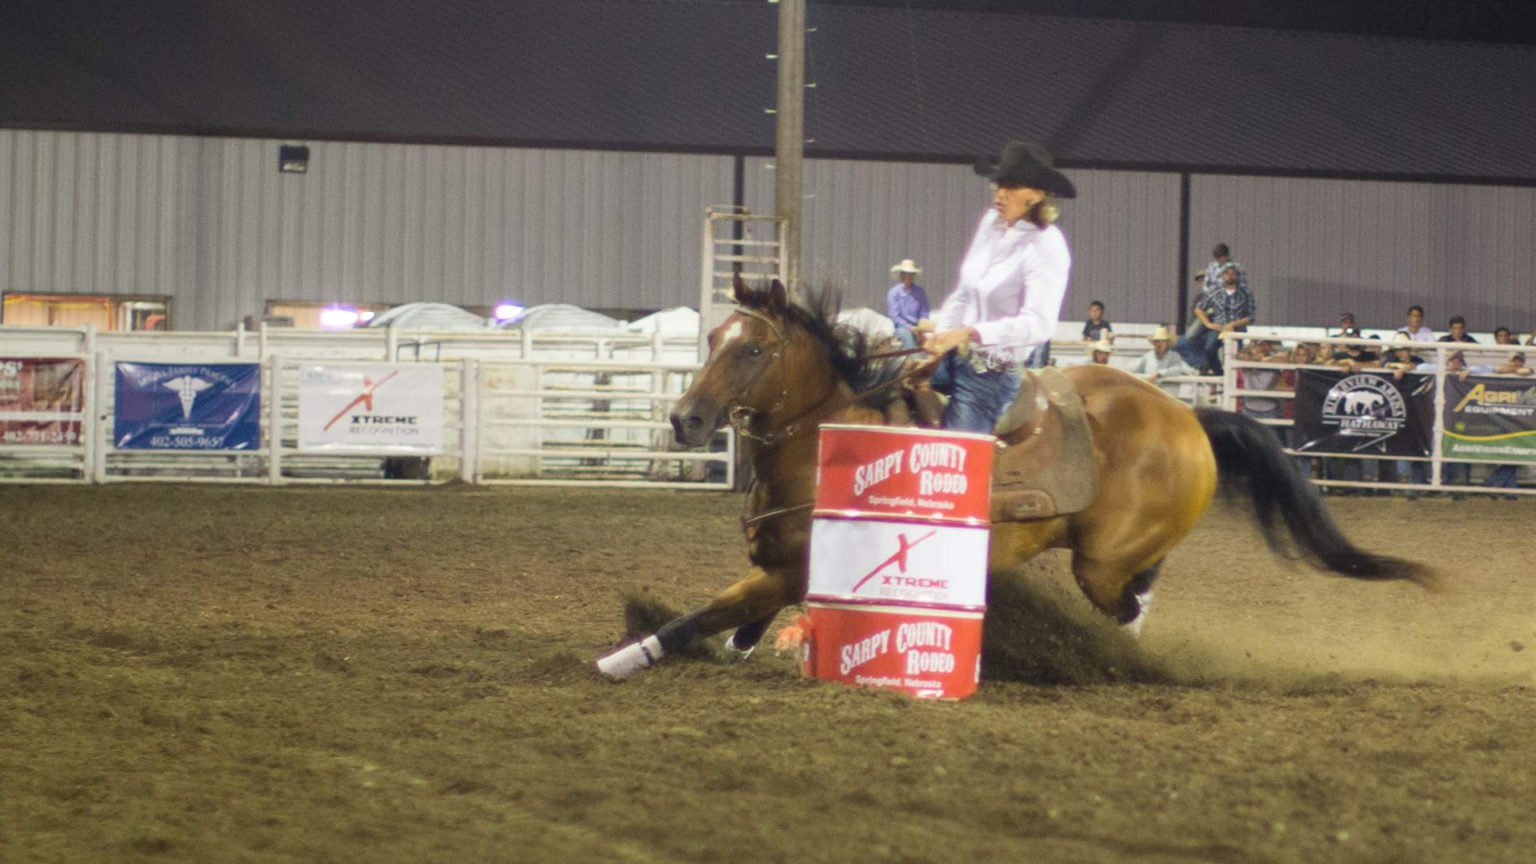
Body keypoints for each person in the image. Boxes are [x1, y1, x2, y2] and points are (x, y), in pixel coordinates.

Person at [922, 140, 1074, 432]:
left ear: (1036, 195)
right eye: (998, 184)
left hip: (992, 374)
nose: (1000, 194)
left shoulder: (1047, 245)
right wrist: (940, 340)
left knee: (954, 454)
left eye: (1012, 186)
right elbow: (964, 292)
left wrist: (972, 332)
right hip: (954, 357)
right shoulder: (990, 223)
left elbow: (1039, 325)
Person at [1173, 262, 1254, 374]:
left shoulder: (1245, 294)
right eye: (1227, 273)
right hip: (1217, 328)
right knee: (1207, 347)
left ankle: (1218, 375)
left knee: (1232, 356)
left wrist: (1234, 324)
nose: (1230, 276)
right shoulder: (1215, 293)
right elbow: (1199, 309)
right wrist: (1208, 324)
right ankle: (1215, 372)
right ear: (1222, 276)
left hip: (1235, 331)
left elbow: (1250, 317)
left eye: (1233, 273)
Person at [1128, 325, 1196, 398]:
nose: (1159, 343)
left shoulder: (1174, 356)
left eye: (1162, 341)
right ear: (1154, 343)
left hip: (1168, 396)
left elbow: (1177, 369)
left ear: (1167, 343)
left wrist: (1160, 374)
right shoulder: (1147, 356)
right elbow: (1136, 368)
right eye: (1157, 341)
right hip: (1150, 394)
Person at [885, 259, 929, 349]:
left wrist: (921, 327)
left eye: (910, 274)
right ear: (901, 275)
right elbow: (895, 317)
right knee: (908, 336)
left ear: (914, 276)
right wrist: (910, 328)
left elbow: (924, 312)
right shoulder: (894, 293)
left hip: (919, 326)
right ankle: (913, 360)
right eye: (905, 273)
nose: (908, 276)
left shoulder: (920, 292)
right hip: (902, 328)